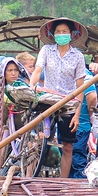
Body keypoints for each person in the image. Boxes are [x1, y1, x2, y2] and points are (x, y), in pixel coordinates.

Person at [30, 18, 87, 180]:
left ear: (71, 34)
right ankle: (29, 176)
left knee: (68, 146)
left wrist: (76, 113)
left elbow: (80, 87)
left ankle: (63, 181)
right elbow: (37, 70)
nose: (61, 34)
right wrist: (31, 86)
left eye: (64, 32)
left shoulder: (78, 56)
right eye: (58, 32)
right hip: (47, 101)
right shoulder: (47, 51)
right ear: (53, 34)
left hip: (68, 104)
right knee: (37, 141)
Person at [69, 68, 97, 179]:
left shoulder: (84, 75)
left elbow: (92, 96)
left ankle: (79, 183)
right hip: (74, 121)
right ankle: (72, 185)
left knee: (76, 157)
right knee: (72, 156)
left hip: (80, 123)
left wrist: (90, 114)